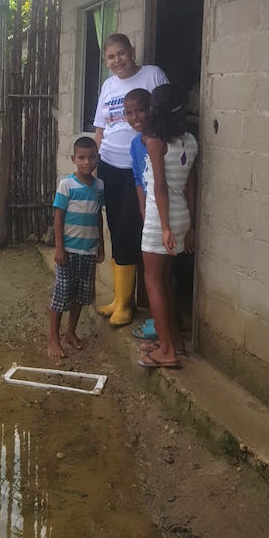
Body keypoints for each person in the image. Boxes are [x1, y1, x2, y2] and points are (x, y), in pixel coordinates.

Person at [94, 34, 168, 326]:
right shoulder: (108, 86)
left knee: (130, 228)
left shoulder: (152, 75)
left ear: (132, 52)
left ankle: (126, 304)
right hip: (110, 165)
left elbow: (165, 115)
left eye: (121, 53)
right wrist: (99, 156)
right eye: (111, 57)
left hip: (138, 167)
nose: (117, 60)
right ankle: (119, 298)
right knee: (115, 227)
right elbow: (100, 127)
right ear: (106, 61)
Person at [138, 84, 197, 368]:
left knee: (153, 281)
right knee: (166, 281)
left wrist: (163, 228)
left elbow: (159, 186)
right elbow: (189, 186)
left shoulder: (155, 140)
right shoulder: (190, 140)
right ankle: (173, 341)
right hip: (181, 217)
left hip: (159, 219)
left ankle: (167, 352)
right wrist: (190, 226)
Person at [48, 136, 105, 360]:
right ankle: (53, 339)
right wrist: (59, 248)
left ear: (97, 159)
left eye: (91, 157)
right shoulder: (67, 185)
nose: (86, 162)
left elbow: (98, 216)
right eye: (81, 158)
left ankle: (70, 332)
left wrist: (100, 245)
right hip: (69, 252)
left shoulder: (99, 186)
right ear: (73, 159)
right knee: (61, 296)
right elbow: (58, 217)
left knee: (81, 296)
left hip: (89, 251)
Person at [125, 88, 160, 342]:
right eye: (129, 113)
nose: (135, 117)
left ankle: (163, 327)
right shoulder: (135, 144)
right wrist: (143, 209)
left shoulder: (158, 141)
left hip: (165, 215)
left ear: (151, 108)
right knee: (155, 274)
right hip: (151, 214)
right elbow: (139, 179)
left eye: (139, 110)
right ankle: (161, 322)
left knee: (158, 276)